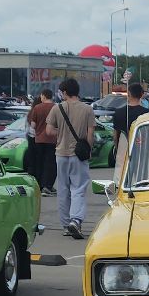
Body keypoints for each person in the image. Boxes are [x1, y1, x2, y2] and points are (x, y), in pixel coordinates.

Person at [47, 78, 96, 239]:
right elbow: (90, 134)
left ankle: (66, 224)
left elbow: (49, 131)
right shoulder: (87, 109)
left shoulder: (57, 108)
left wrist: (61, 134)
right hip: (78, 154)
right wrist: (88, 149)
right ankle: (75, 220)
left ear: (66, 92)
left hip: (60, 154)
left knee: (63, 189)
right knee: (79, 188)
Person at [111, 81, 149, 177]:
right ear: (141, 95)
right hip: (141, 152)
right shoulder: (147, 114)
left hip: (124, 151)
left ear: (128, 94)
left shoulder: (119, 113)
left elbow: (115, 136)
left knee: (123, 179)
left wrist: (118, 150)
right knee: (140, 178)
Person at [27, 89, 58, 195]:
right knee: (50, 163)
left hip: (39, 140)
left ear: (44, 96)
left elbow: (33, 125)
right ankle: (48, 185)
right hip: (52, 140)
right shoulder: (56, 108)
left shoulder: (37, 108)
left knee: (39, 163)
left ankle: (39, 185)